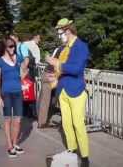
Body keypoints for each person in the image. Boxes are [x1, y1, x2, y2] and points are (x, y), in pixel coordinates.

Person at [46, 18, 90, 167]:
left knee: (78, 124)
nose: (59, 37)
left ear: (68, 31)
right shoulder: (63, 49)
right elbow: (61, 69)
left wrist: (57, 63)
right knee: (66, 123)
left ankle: (84, 157)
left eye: (60, 33)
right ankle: (71, 151)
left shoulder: (81, 46)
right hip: (62, 90)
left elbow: (76, 69)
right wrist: (53, 75)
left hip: (76, 91)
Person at [0, 36, 25, 158]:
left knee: (17, 120)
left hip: (18, 92)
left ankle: (15, 143)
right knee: (8, 120)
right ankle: (9, 146)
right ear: (5, 47)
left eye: (14, 46)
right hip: (6, 93)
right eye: (10, 46)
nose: (13, 48)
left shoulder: (18, 58)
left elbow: (23, 71)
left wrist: (23, 73)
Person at [37, 47, 61, 128]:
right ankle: (43, 122)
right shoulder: (63, 50)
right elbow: (50, 60)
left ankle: (43, 121)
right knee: (50, 100)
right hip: (52, 75)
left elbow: (48, 59)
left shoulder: (58, 49)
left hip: (48, 74)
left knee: (47, 100)